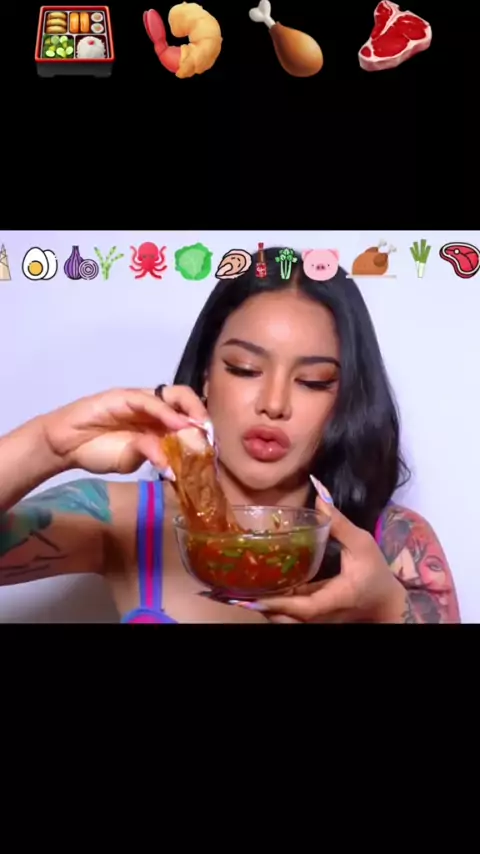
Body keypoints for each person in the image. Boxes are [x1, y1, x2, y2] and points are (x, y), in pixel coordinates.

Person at [0, 247, 460, 623]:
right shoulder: (125, 520)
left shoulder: (394, 540)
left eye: (313, 380)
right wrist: (49, 445)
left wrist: (385, 608)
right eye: (244, 368)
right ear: (205, 377)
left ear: (344, 400)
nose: (274, 403)